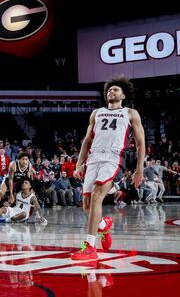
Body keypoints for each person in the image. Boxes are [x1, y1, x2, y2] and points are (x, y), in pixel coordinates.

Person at [72, 76, 145, 261]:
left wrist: (139, 170)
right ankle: (104, 225)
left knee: (97, 196)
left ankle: (89, 247)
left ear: (123, 95)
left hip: (112, 157)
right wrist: (79, 163)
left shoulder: (130, 113)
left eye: (115, 90)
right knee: (87, 207)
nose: (111, 92)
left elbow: (140, 143)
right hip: (93, 158)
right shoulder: (96, 112)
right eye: (109, 90)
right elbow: (87, 140)